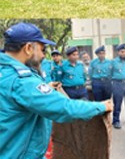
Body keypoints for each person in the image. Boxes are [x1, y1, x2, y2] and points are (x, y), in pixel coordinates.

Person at [0, 22, 112, 159]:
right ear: (28, 48)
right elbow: (65, 108)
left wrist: (46, 86)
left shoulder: (5, 72)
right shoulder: (22, 81)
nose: (43, 56)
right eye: (42, 50)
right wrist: (101, 106)